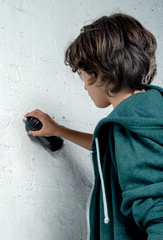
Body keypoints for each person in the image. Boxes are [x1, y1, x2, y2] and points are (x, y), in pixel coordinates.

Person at [25, 13, 163, 240]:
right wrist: (59, 130)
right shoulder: (144, 115)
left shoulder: (131, 124)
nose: (85, 88)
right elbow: (116, 149)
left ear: (100, 73)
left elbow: (159, 218)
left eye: (82, 75)